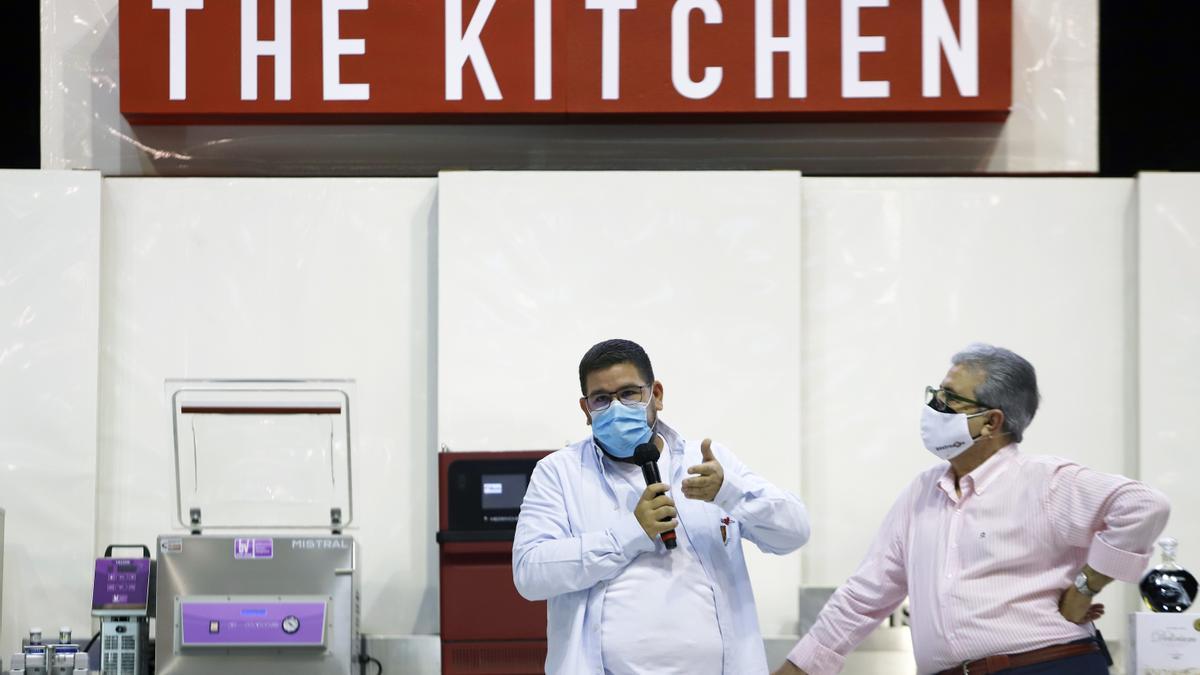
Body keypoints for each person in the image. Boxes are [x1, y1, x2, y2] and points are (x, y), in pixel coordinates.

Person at [775, 343, 1172, 675]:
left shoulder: (1043, 481)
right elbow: (865, 595)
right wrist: (799, 668)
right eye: (935, 394)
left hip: (1044, 664)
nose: (934, 407)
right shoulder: (921, 494)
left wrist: (1086, 586)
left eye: (949, 399)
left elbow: (1143, 506)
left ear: (990, 422)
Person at [513, 338, 811, 674]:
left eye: (629, 393)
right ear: (586, 410)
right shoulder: (560, 473)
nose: (616, 408)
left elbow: (794, 532)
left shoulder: (707, 461)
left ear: (656, 394)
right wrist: (630, 534)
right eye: (601, 399)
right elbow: (530, 573)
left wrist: (730, 493)